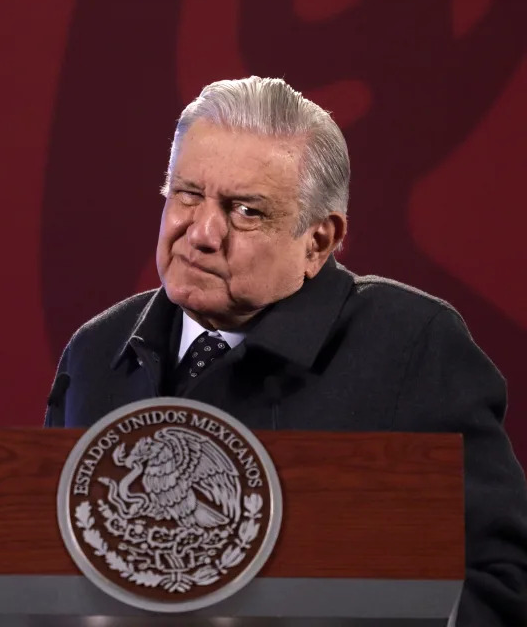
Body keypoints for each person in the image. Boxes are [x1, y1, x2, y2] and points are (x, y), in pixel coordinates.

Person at [43, 76, 527, 624]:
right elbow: (39, 574)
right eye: (187, 194)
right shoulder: (95, 353)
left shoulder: (412, 347)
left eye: (245, 210)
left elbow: (499, 584)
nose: (202, 232)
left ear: (318, 241)